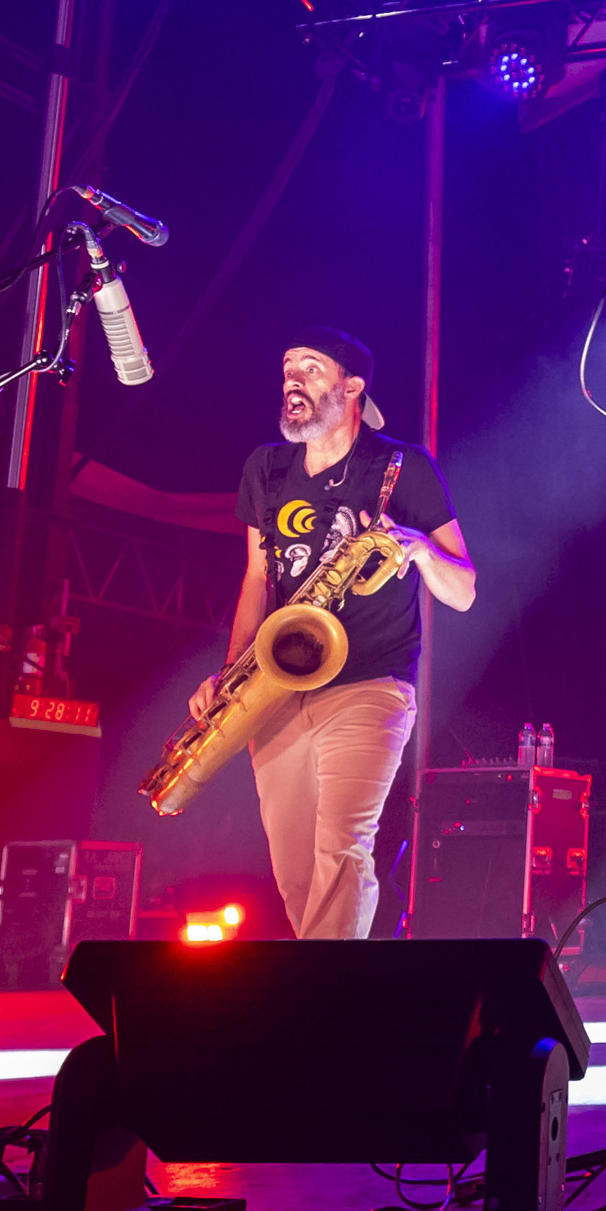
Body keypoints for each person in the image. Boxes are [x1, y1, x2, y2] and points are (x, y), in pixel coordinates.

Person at [194, 331, 475, 942]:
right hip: (275, 690)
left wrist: (421, 550)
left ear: (352, 387)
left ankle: (325, 996)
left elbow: (464, 591)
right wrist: (232, 674)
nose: (293, 380)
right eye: (288, 368)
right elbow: (256, 579)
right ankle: (335, 981)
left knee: (342, 847)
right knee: (296, 873)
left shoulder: (401, 467)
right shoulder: (265, 468)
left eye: (311, 368)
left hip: (371, 684)